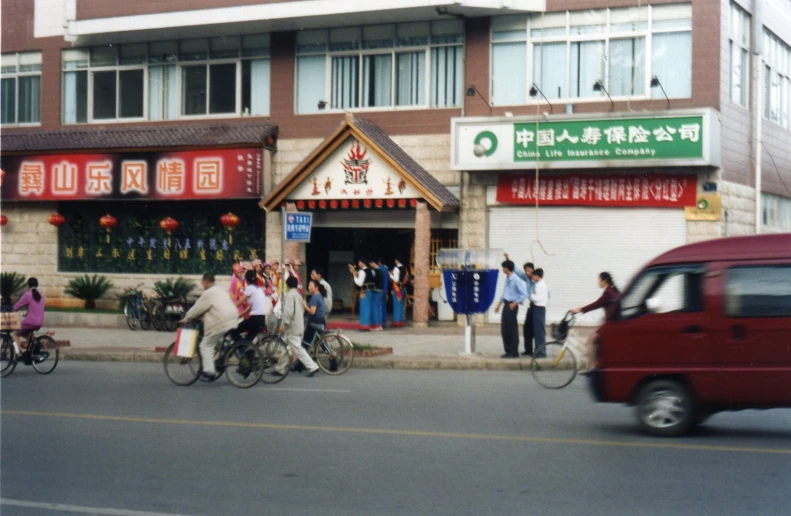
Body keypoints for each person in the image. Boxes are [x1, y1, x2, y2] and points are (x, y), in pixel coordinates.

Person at [180, 272, 240, 380]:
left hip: (222, 320)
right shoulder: (220, 290)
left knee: (205, 345)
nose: (202, 285)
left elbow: (197, 308)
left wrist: (186, 318)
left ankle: (209, 371)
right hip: (233, 316)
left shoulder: (208, 293)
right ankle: (221, 359)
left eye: (203, 283)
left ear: (206, 282)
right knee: (217, 339)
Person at [275, 276, 319, 377]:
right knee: (287, 348)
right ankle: (280, 368)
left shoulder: (290, 296)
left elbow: (288, 312)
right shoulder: (299, 296)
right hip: (299, 325)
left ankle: (312, 366)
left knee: (297, 349)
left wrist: (283, 324)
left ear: (287, 285)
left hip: (292, 327)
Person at [493, 260, 528, 358]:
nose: (503, 269)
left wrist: (515, 303)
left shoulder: (516, 279)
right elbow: (504, 292)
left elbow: (524, 293)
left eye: (503, 267)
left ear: (507, 268)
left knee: (512, 328)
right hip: (506, 304)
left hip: (512, 306)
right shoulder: (507, 278)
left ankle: (514, 351)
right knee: (505, 328)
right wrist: (499, 304)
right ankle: (508, 350)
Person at [12, 277, 45, 354]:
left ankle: (18, 354)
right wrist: (27, 313)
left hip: (30, 322)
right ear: (37, 285)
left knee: (15, 334)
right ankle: (36, 343)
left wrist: (10, 309)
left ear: (28, 285)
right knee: (24, 333)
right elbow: (37, 307)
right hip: (40, 322)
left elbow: (17, 307)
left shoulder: (27, 295)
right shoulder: (41, 294)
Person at [236, 270, 272, 337]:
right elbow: (250, 307)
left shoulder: (250, 288)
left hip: (255, 319)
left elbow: (239, 303)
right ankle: (243, 346)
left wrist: (230, 309)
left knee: (235, 330)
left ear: (246, 279)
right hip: (262, 319)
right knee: (248, 341)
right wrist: (240, 315)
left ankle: (237, 346)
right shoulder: (258, 289)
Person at [351, 258, 376, 331]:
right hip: (370, 291)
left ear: (363, 263)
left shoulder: (362, 271)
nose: (358, 264)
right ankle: (368, 324)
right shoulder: (371, 271)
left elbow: (360, 283)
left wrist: (355, 276)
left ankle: (364, 326)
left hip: (364, 292)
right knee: (368, 308)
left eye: (359, 262)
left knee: (364, 308)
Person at [529, 268, 549, 357]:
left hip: (538, 308)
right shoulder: (543, 285)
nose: (532, 277)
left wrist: (530, 295)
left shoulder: (539, 286)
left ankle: (541, 352)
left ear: (537, 276)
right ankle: (539, 351)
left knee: (539, 332)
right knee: (539, 331)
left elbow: (536, 298)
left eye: (533, 276)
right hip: (540, 309)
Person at [302, 279, 327, 350]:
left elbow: (312, 311)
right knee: (318, 342)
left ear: (316, 287)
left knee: (305, 342)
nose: (309, 287)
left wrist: (304, 305)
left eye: (310, 286)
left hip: (315, 322)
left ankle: (302, 360)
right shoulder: (319, 295)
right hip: (321, 321)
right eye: (308, 286)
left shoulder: (315, 297)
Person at [390, 258, 409, 328]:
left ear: (397, 260)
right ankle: (401, 322)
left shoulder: (396, 268)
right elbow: (407, 278)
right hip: (402, 288)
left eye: (395, 260)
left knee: (396, 305)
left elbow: (396, 279)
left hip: (397, 288)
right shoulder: (405, 268)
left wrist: (390, 275)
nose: (395, 261)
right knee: (400, 305)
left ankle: (396, 322)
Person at [368, 258, 384, 331]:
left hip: (375, 291)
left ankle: (375, 325)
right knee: (379, 308)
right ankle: (380, 325)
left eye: (370, 264)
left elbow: (371, 280)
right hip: (381, 291)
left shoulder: (374, 271)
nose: (370, 265)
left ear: (373, 263)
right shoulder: (381, 270)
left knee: (374, 308)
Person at [377, 258, 389, 329]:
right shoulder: (386, 269)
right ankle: (384, 321)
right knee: (383, 306)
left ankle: (380, 322)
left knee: (379, 306)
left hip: (380, 289)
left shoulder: (380, 269)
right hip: (385, 289)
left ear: (379, 263)